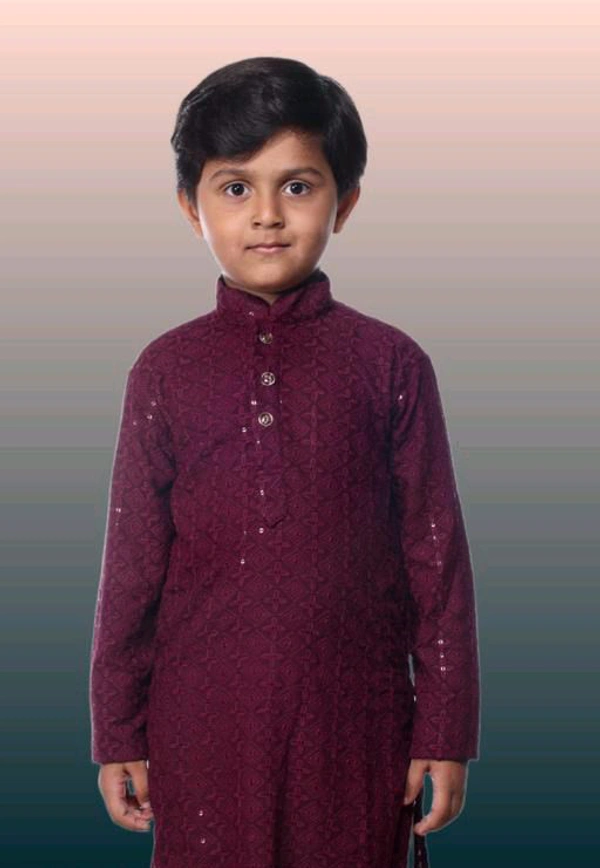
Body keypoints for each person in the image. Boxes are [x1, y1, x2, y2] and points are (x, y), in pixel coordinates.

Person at [89, 56, 480, 868]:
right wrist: (117, 732)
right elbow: (131, 567)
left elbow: (436, 557)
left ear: (347, 201)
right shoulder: (163, 370)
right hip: (201, 724)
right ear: (190, 206)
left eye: (298, 186)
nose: (267, 215)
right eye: (235, 188)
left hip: (358, 722)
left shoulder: (390, 363)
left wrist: (445, 732)